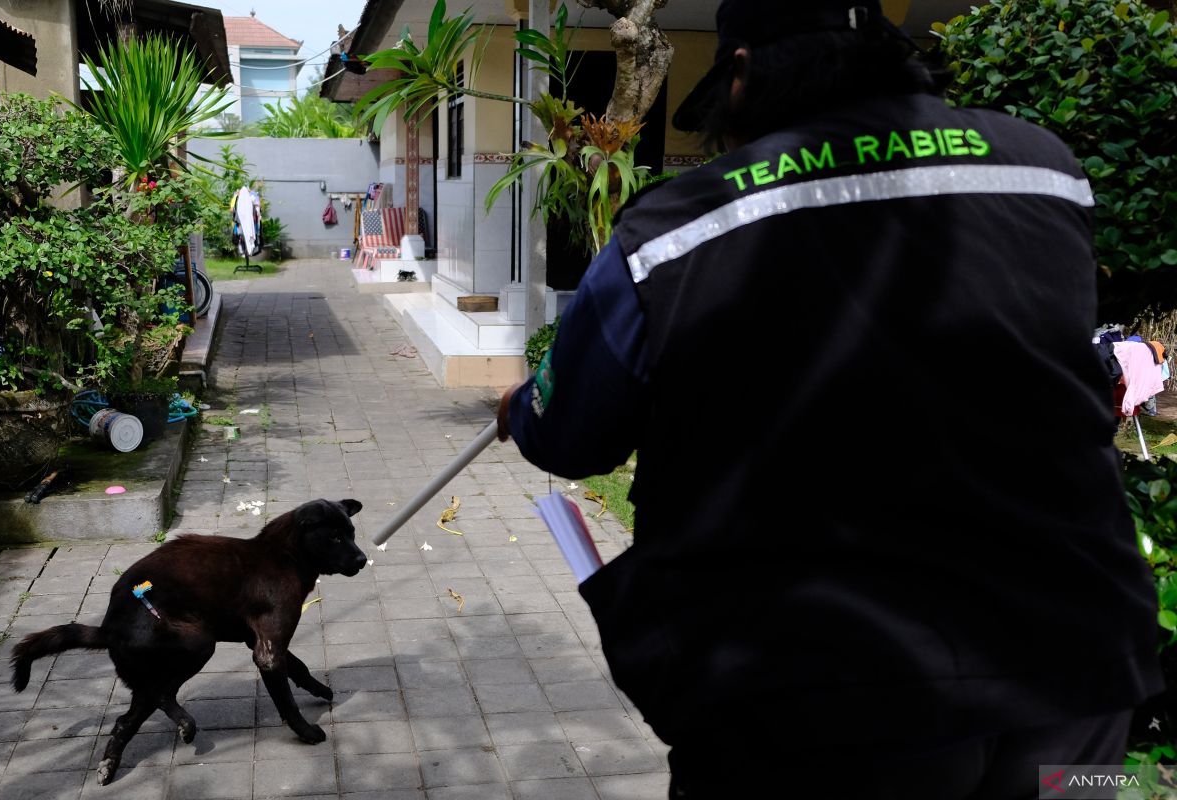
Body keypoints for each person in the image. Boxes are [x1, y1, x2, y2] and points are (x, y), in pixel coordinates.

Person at [497, 1, 1163, 796]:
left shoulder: (676, 229)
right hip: (1073, 678)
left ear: (741, 75)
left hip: (817, 705)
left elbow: (574, 437)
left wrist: (523, 409)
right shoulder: (1043, 169)